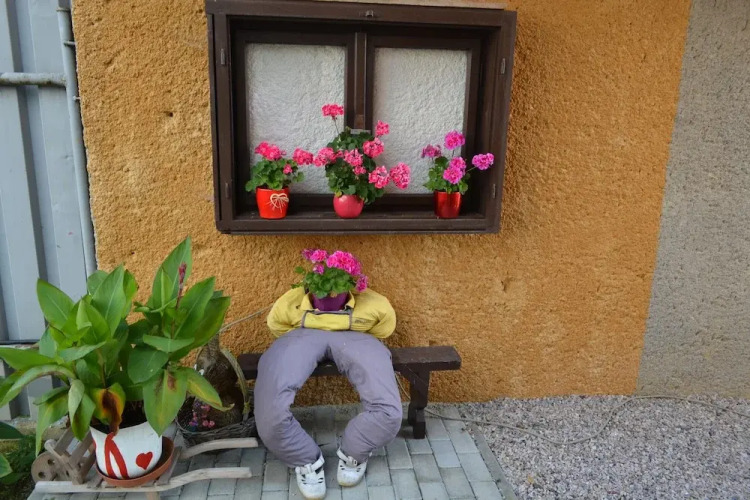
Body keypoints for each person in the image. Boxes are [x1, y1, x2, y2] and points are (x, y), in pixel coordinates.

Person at [254, 286, 402, 500]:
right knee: (270, 415)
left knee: (389, 412)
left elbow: (385, 326)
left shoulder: (369, 301)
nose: (330, 292)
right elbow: (276, 323)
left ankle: (355, 451)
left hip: (355, 335)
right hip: (302, 335)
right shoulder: (293, 301)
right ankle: (305, 460)